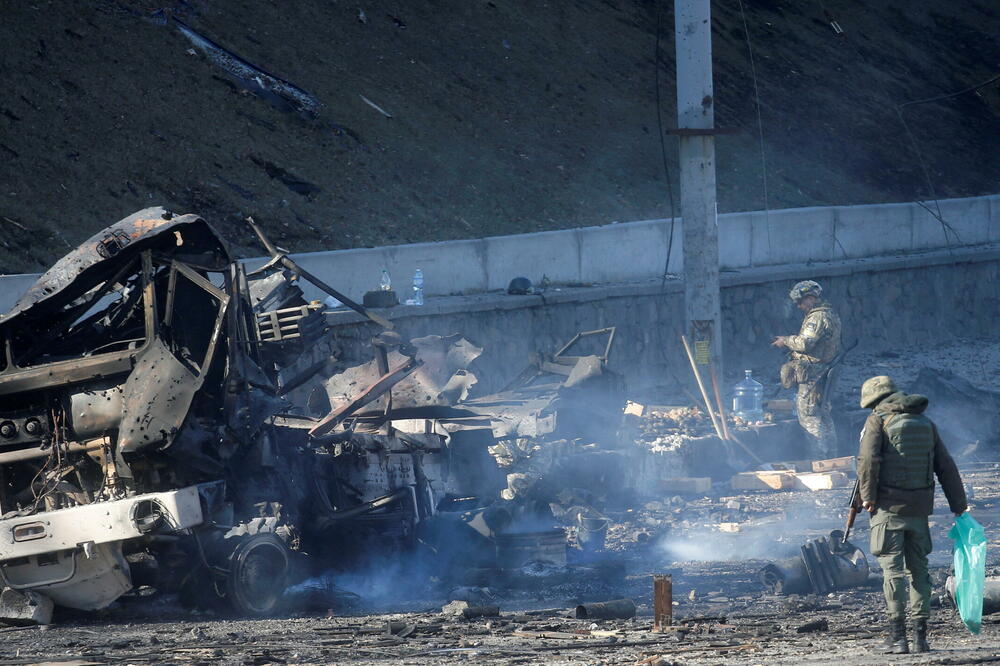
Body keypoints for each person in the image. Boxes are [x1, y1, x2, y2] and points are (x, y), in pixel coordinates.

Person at [857, 375, 968, 654]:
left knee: (892, 572)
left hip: (888, 509)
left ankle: (898, 638)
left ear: (875, 401)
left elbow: (868, 460)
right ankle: (920, 639)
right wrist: (959, 505)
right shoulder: (926, 423)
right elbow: (946, 466)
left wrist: (868, 497)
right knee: (919, 571)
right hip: (919, 510)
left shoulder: (877, 421)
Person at [771, 280, 842, 458]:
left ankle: (819, 459)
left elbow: (805, 343)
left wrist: (785, 341)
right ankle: (832, 457)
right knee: (824, 414)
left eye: (801, 301)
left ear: (811, 298)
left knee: (809, 416)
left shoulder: (817, 317)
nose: (799, 305)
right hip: (824, 371)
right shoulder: (829, 313)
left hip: (813, 374)